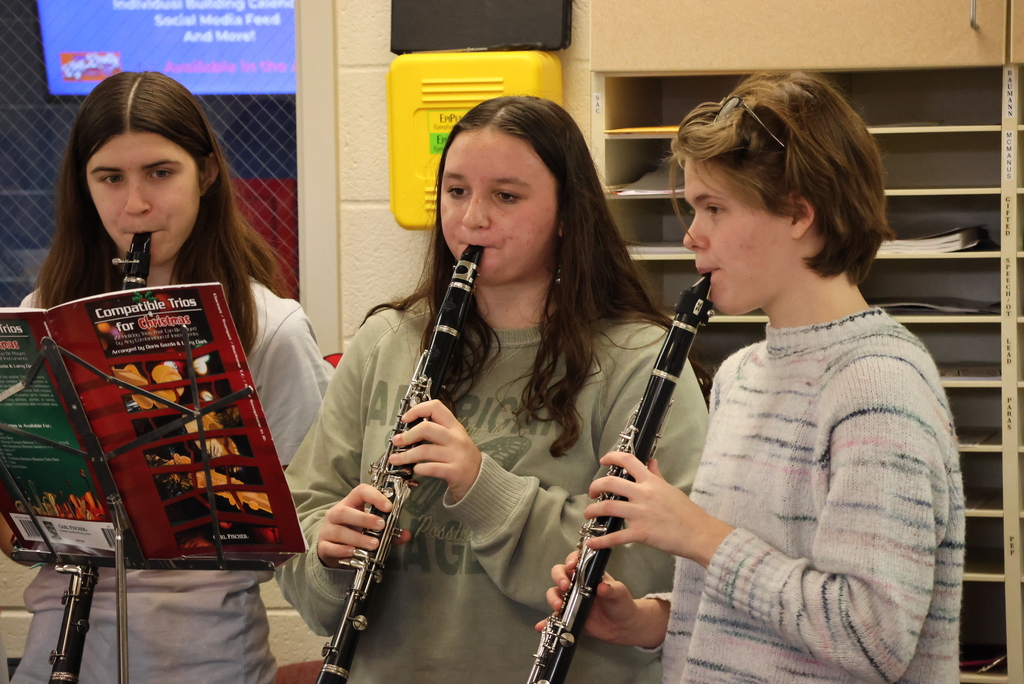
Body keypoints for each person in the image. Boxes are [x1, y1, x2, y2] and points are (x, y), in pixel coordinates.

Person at [543, 71, 965, 683]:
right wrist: (649, 620)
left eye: (714, 208)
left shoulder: (879, 387)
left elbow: (872, 637)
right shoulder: (741, 374)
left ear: (798, 212)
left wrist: (698, 534)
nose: (692, 235)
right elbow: (750, 600)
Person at [276, 95, 709, 683]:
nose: (472, 219)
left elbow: (657, 573)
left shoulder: (639, 359)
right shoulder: (386, 343)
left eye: (506, 196)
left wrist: (482, 485)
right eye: (456, 191)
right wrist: (329, 554)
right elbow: (300, 533)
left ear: (567, 212)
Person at [2, 71, 333, 684]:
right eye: (110, 178)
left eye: (160, 173)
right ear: (83, 185)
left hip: (207, 659)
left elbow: (304, 524)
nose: (135, 205)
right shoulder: (41, 317)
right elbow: (25, 534)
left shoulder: (270, 327)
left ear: (205, 174)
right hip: (59, 651)